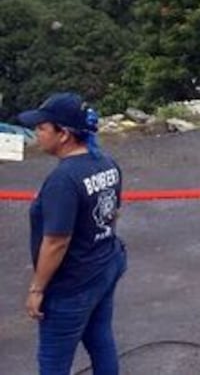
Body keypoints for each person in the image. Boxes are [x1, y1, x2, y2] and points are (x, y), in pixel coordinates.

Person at [19, 93, 127, 375]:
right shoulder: (106, 162)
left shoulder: (63, 180)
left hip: (73, 284)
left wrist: (37, 289)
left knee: (53, 361)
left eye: (42, 128)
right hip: (105, 264)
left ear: (64, 134)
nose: (36, 134)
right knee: (100, 338)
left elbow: (56, 241)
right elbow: (113, 213)